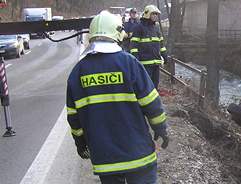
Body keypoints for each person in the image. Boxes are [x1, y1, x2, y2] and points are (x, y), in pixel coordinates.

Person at [66, 11, 169, 184]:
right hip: (138, 154)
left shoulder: (77, 72)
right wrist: (161, 128)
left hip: (105, 158)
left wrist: (80, 142)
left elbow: (73, 116)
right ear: (117, 34)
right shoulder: (129, 63)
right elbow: (151, 102)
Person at [130, 5, 167, 89]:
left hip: (156, 62)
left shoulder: (156, 28)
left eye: (156, 14)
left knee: (155, 85)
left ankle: (155, 101)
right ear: (147, 14)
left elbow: (161, 44)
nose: (155, 16)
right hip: (144, 63)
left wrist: (165, 55)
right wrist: (136, 59)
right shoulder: (139, 27)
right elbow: (133, 46)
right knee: (146, 86)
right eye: (153, 14)